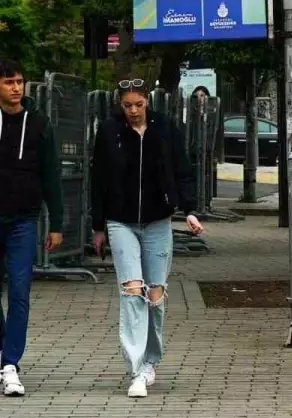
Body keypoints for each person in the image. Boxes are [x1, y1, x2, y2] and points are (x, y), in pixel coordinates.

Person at [90, 78, 204, 398]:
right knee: (131, 290)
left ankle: (152, 360)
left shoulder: (165, 128)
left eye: (139, 104)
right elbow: (98, 178)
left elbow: (182, 168)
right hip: (120, 220)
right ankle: (136, 367)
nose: (134, 111)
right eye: (127, 106)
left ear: (147, 102)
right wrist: (98, 226)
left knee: (155, 294)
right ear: (120, 105)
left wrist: (190, 210)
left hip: (158, 220)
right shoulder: (110, 131)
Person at [0, 58, 64, 397]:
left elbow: (51, 173)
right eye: (9, 81)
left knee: (21, 291)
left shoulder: (38, 123)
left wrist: (58, 222)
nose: (16, 88)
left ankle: (11, 363)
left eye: (20, 81)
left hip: (24, 219)